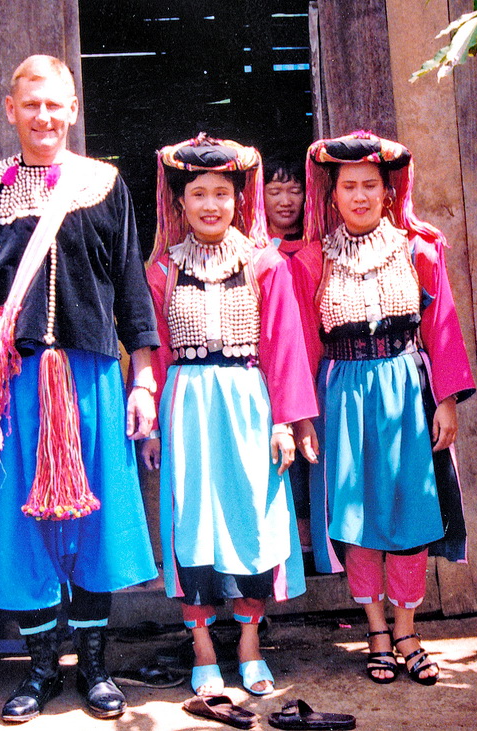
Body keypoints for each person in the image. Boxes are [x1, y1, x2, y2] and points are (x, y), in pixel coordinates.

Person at [0, 55, 159, 723]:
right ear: (10, 109)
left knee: (92, 522)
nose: (43, 116)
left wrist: (143, 376)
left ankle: (93, 665)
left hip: (92, 373)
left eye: (55, 104)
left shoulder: (106, 184)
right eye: (30, 104)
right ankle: (39, 669)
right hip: (15, 382)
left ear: (72, 109)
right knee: (21, 524)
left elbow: (130, 285)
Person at [294, 132, 476, 687]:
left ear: (388, 190)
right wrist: (303, 416)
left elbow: (440, 328)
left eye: (369, 185)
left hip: (404, 388)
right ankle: (374, 630)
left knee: (409, 509)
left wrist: (445, 401)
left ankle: (407, 629)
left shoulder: (418, 249)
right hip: (342, 392)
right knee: (356, 514)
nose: (359, 196)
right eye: (348, 186)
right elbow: (303, 340)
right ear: (332, 195)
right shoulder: (310, 259)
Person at [141, 134, 317, 698]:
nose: (211, 204)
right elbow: (156, 349)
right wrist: (150, 426)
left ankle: (248, 646)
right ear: (181, 202)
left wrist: (287, 421)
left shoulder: (264, 263)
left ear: (240, 200)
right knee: (192, 524)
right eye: (199, 194)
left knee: (251, 524)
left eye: (222, 192)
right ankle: (202, 651)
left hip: (248, 404)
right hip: (187, 408)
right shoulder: (163, 269)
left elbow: (284, 346)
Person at [262, 155, 315, 549]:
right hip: (275, 375)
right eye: (275, 190)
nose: (285, 200)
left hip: (321, 368)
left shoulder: (318, 249)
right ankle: (292, 544)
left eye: (294, 190)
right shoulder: (258, 256)